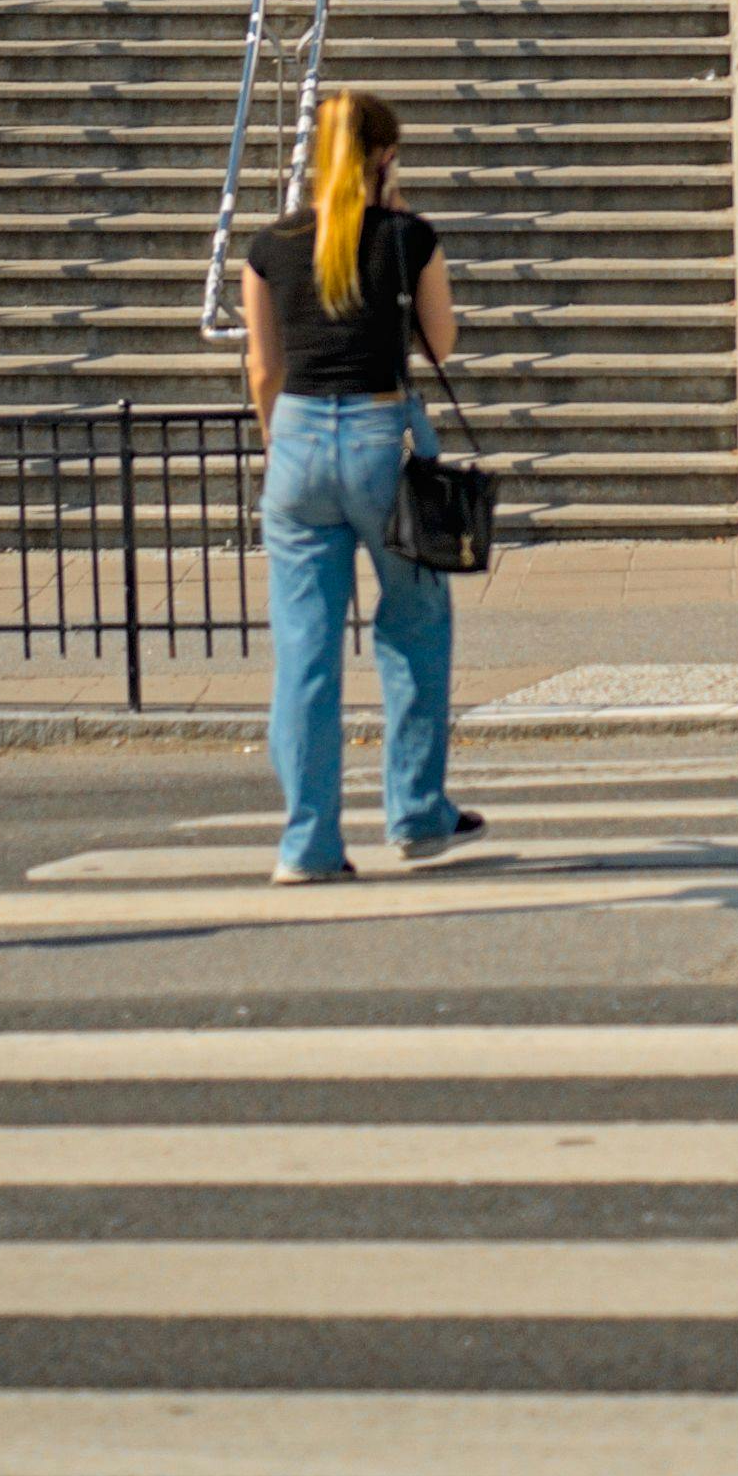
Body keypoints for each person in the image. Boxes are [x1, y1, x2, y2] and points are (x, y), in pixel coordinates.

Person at [242, 89, 484, 882]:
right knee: (414, 624)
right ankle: (415, 813)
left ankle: (306, 843)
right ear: (385, 156)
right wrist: (404, 223)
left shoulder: (269, 245)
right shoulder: (409, 237)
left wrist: (277, 441)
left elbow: (264, 367)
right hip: (384, 437)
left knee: (305, 649)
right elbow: (441, 342)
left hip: (299, 441)